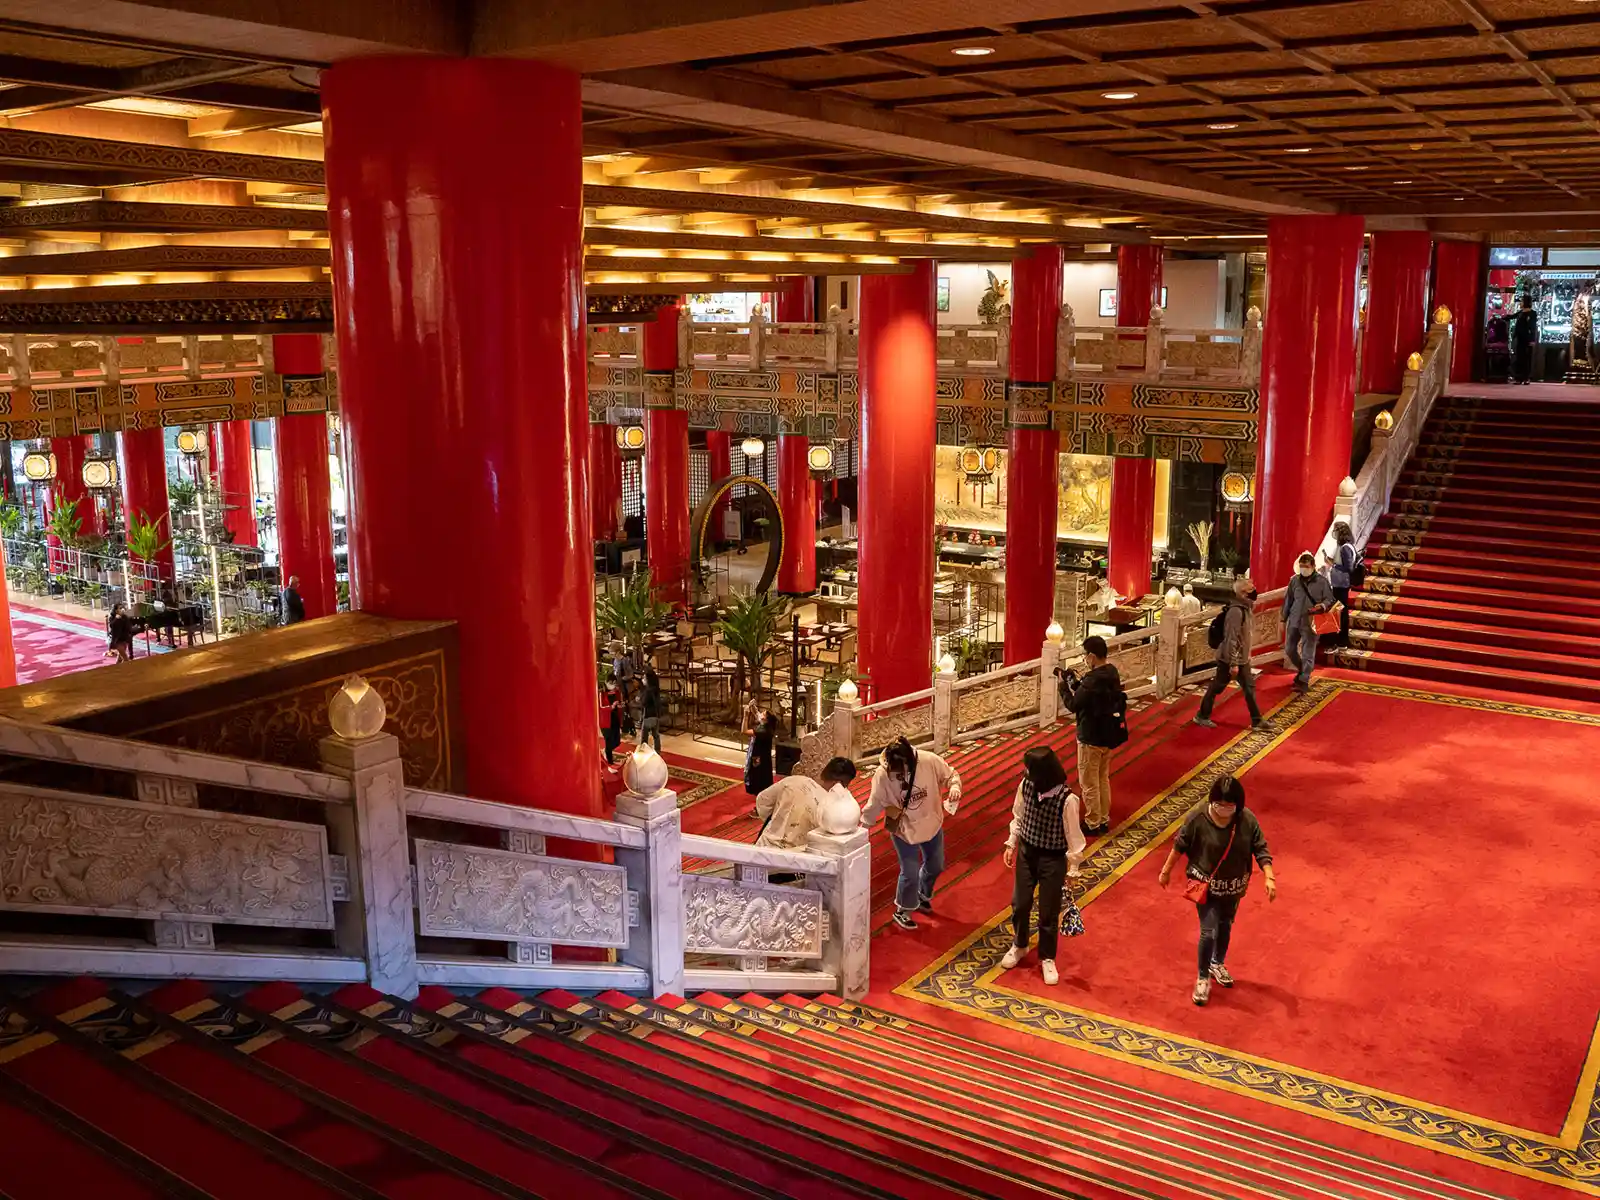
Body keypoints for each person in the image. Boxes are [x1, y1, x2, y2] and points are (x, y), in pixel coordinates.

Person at [1158, 775, 1277, 1006]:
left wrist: (1269, 877)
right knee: (1208, 931)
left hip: (1233, 887)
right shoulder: (1197, 819)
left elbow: (1260, 848)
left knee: (1225, 925)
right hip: (1203, 885)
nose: (1224, 809)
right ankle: (1202, 978)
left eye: (1229, 806)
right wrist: (1166, 871)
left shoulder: (1246, 820)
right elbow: (1179, 845)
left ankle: (1217, 963)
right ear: (1211, 801)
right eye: (1219, 804)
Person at [1000, 745, 1086, 985]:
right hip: (1027, 853)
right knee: (1020, 903)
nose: (1027, 775)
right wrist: (1011, 844)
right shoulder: (1026, 786)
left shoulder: (1067, 799)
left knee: (1048, 911)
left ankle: (1048, 957)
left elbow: (1074, 837)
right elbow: (1019, 815)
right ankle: (1020, 944)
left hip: (1052, 859)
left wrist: (1073, 869)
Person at [862, 736, 963, 930]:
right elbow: (874, 803)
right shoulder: (882, 774)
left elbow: (950, 775)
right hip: (904, 828)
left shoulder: (929, 760)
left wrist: (955, 787)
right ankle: (903, 910)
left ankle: (923, 895)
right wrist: (863, 828)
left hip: (931, 821)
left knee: (936, 865)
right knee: (909, 873)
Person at [1062, 635, 1123, 837]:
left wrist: (1064, 687)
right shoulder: (1112, 673)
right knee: (1102, 779)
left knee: (1089, 782)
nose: (1084, 659)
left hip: (1090, 737)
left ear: (1092, 656)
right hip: (1108, 734)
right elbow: (1089, 696)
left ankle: (1092, 822)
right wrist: (1079, 684)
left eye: (1085, 655)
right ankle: (1103, 819)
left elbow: (1073, 705)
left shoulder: (1093, 679)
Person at [1194, 575, 1271, 731]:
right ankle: (1202, 715)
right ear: (1242, 593)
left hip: (1242, 659)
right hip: (1229, 659)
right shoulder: (1236, 612)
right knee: (1217, 687)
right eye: (1250, 589)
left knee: (1249, 688)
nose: (1254, 590)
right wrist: (1233, 663)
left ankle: (1257, 720)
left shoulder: (1246, 608)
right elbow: (1231, 639)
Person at [755, 756, 858, 851]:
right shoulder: (830, 807)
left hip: (763, 846)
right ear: (839, 784)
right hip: (794, 858)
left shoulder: (792, 780)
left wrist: (777, 820)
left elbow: (762, 801)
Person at [1283, 552, 1336, 693]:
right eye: (1301, 566)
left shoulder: (1322, 582)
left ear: (1313, 566)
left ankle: (1303, 680)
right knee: (1289, 649)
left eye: (1306, 566)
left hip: (1312, 621)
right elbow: (1288, 600)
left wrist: (1322, 606)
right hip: (1294, 619)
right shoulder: (1294, 580)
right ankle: (1302, 670)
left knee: (1308, 652)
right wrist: (1284, 617)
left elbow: (1330, 600)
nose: (1303, 569)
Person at [1321, 523, 1358, 647]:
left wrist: (1333, 564)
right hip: (1340, 583)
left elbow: (1348, 567)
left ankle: (1341, 639)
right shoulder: (1344, 546)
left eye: (1336, 530)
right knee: (1340, 610)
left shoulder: (1345, 548)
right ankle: (1340, 639)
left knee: (1340, 611)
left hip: (1341, 584)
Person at [744, 711, 779, 798]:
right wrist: (753, 707)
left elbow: (744, 731)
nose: (760, 714)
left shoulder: (763, 730)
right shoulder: (767, 727)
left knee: (757, 776)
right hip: (762, 757)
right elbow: (757, 714)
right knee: (761, 776)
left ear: (765, 719)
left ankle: (760, 798)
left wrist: (745, 716)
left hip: (758, 758)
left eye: (763, 714)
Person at [1511, 294, 1538, 384]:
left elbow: (1533, 327)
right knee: (1519, 357)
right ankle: (1518, 377)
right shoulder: (1520, 313)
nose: (1520, 303)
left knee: (1527, 358)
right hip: (1519, 338)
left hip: (1527, 339)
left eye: (1522, 301)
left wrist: (1532, 339)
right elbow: (1511, 317)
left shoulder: (1532, 313)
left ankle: (1526, 377)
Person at [639, 669, 663, 753]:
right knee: (656, 735)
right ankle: (657, 752)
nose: (643, 680)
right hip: (656, 715)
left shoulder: (648, 691)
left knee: (644, 738)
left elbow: (644, 703)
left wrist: (640, 698)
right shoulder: (656, 689)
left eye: (644, 678)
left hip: (648, 716)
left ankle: (643, 752)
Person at [600, 684, 624, 767]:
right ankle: (610, 762)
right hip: (606, 721)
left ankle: (606, 751)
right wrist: (611, 707)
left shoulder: (617, 692)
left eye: (614, 682)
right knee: (609, 741)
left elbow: (620, 704)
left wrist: (620, 706)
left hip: (615, 719)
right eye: (611, 682)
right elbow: (600, 707)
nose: (612, 684)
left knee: (617, 741)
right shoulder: (601, 693)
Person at [609, 639, 635, 709]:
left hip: (626, 688)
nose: (611, 655)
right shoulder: (614, 660)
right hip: (619, 686)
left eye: (612, 653)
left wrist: (623, 678)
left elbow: (631, 674)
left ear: (618, 652)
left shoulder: (624, 661)